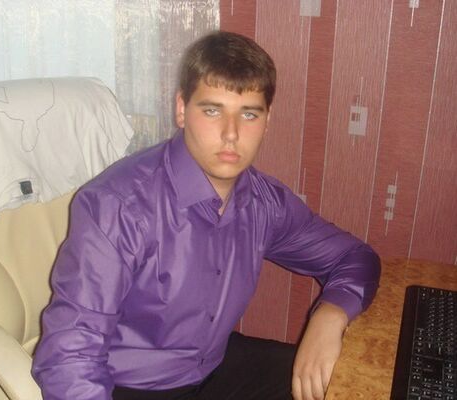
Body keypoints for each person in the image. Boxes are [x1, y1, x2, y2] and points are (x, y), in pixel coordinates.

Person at [32, 31, 380, 400]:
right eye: (212, 110)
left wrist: (330, 314)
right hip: (129, 386)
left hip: (213, 369)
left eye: (249, 114)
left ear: (267, 120)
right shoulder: (119, 205)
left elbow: (355, 258)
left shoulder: (264, 202)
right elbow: (70, 356)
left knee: (345, 384)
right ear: (182, 109)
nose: (231, 134)